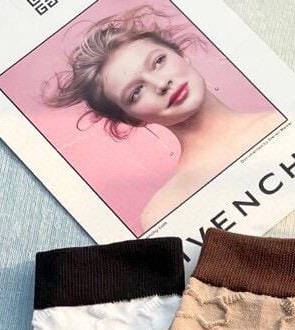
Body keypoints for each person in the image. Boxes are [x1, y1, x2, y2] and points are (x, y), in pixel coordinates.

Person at [45, 6, 281, 232]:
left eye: (159, 62)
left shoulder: (287, 123)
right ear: (131, 119)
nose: (161, 84)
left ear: (181, 54)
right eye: (136, 92)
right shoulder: (164, 212)